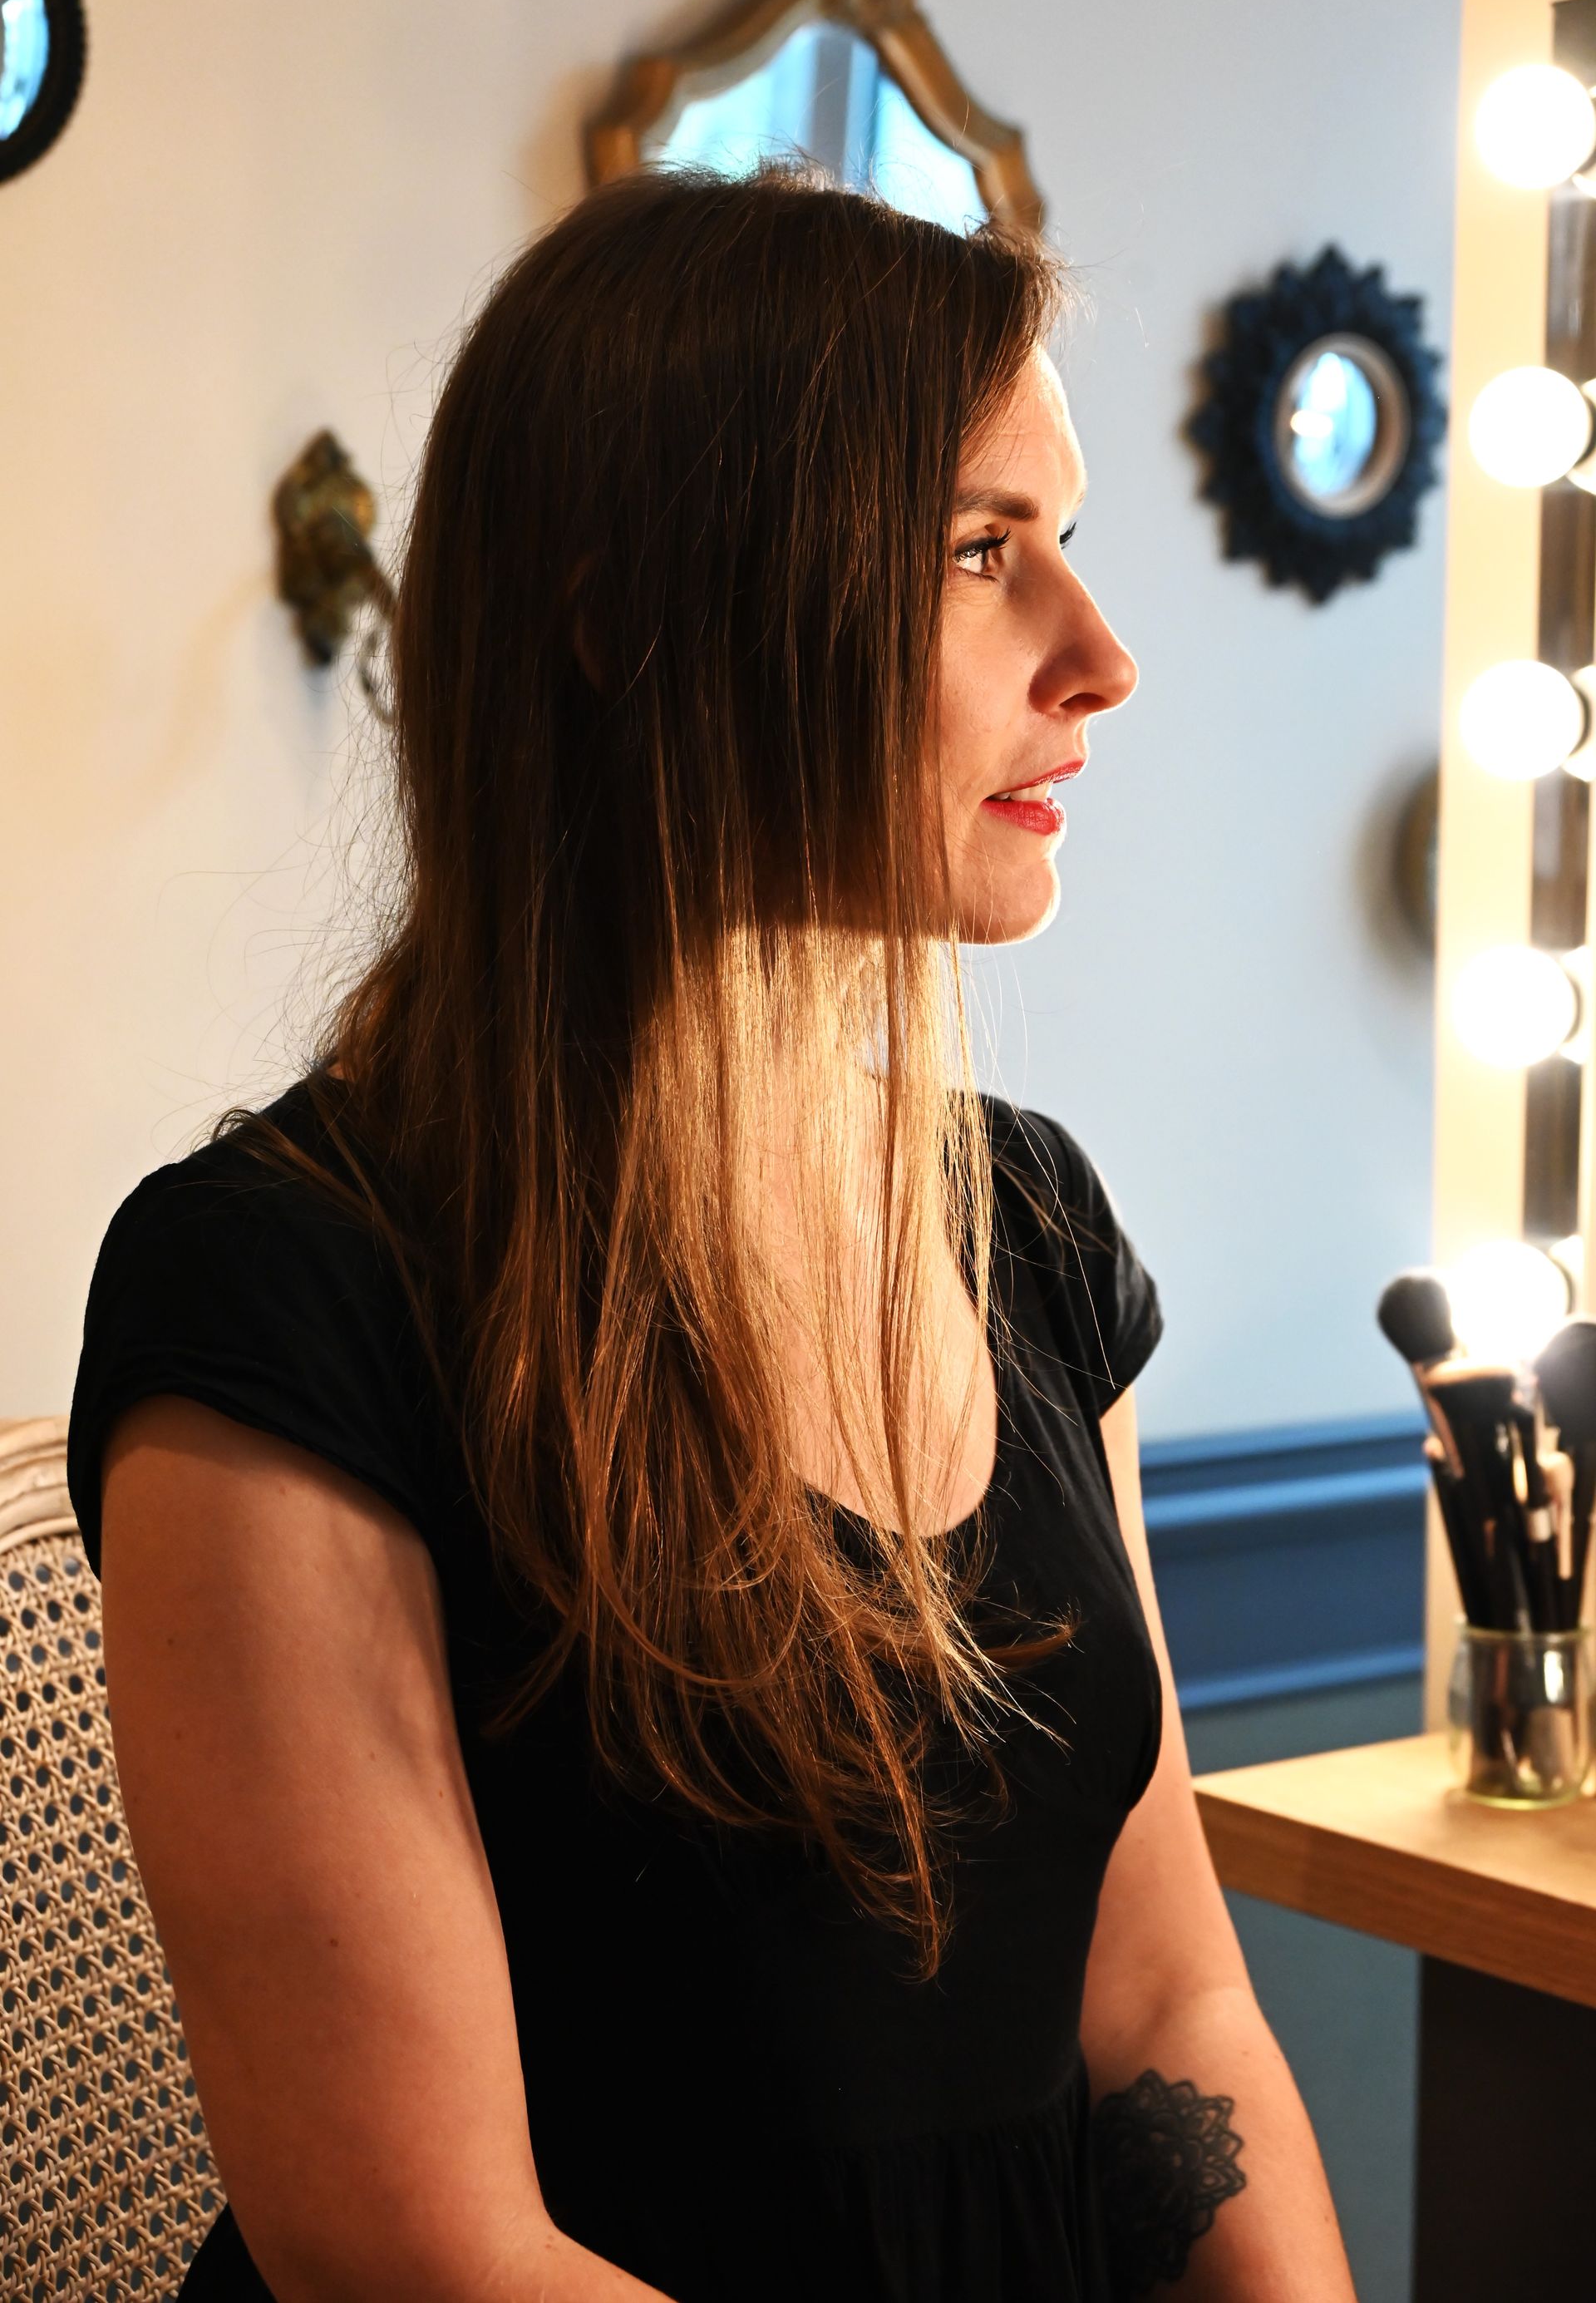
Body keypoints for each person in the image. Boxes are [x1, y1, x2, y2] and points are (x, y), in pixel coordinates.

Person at [69, 166, 1357, 2302]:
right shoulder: (285, 1296)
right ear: (627, 623)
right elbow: (419, 2251)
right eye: (978, 550)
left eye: (1067, 537)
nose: (1103, 658)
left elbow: (1168, 2014)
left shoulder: (1027, 1227)